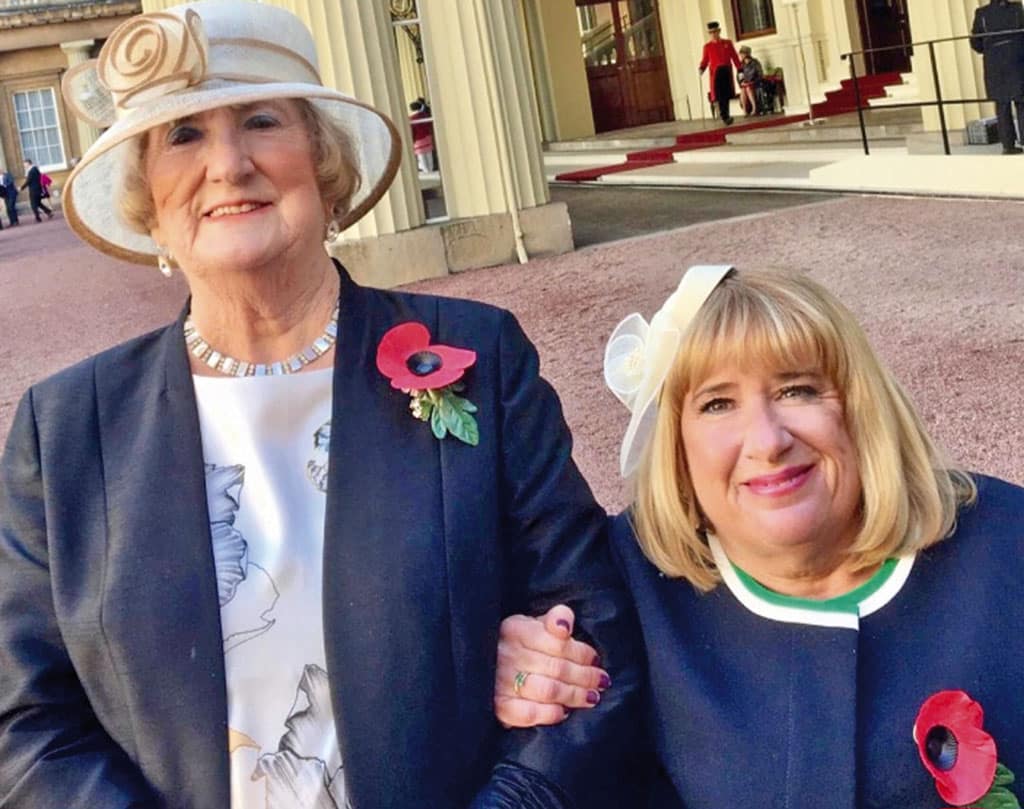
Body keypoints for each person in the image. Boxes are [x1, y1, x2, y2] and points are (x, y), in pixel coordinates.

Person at [0, 2, 641, 807]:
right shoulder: (62, 429)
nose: (228, 165)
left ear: (323, 161)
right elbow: (26, 721)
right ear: (149, 198)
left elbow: (593, 626)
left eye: (261, 121)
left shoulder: (480, 356)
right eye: (184, 135)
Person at [495, 266, 1024, 807]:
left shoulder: (1006, 542)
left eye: (798, 390)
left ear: (860, 409)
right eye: (717, 403)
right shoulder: (618, 584)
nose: (768, 441)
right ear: (676, 445)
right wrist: (515, 670)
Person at [971, 0, 1024, 154]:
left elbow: (975, 42)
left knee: (1002, 105)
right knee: (1021, 102)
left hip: (994, 64)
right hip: (1017, 60)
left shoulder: (981, 13)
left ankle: (1008, 145)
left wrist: (989, 50)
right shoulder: (1017, 8)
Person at [698, 21, 741, 126]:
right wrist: (702, 68)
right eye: (711, 32)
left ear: (719, 31)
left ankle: (726, 114)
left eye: (715, 32)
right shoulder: (707, 47)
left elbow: (734, 56)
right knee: (719, 95)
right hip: (716, 73)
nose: (713, 34)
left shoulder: (727, 43)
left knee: (726, 95)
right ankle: (724, 115)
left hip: (726, 70)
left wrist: (740, 68)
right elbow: (705, 60)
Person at [409, 97, 436, 173]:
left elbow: (412, 131)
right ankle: (430, 170)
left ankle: (426, 171)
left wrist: (412, 140)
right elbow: (429, 125)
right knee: (429, 157)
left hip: (418, 141)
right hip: (427, 138)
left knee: (422, 158)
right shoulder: (424, 115)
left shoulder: (411, 119)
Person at [737, 45, 764, 116]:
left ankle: (754, 108)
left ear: (747, 54)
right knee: (743, 89)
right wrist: (741, 82)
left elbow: (760, 74)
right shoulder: (741, 64)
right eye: (741, 53)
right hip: (745, 84)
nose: (741, 55)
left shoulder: (755, 63)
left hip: (755, 83)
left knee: (748, 88)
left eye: (743, 53)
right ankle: (745, 110)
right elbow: (739, 76)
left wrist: (753, 81)